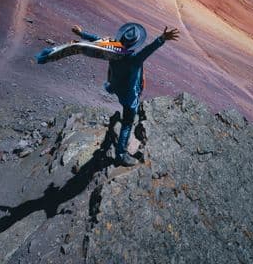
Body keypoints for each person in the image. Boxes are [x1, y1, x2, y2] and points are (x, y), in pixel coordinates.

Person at [72, 22, 179, 166]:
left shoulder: (113, 48)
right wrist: (162, 38)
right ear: (135, 43)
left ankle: (111, 92)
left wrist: (81, 34)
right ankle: (121, 154)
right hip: (129, 96)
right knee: (127, 123)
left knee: (120, 96)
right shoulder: (135, 58)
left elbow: (97, 40)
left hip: (117, 86)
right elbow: (149, 49)